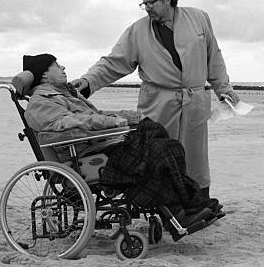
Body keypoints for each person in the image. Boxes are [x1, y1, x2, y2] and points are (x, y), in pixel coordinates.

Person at [71, 0, 239, 201]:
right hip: (158, 104)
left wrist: (224, 90)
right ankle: (164, 207)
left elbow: (214, 58)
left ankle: (198, 202)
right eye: (144, 3)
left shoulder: (199, 19)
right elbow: (114, 63)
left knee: (194, 157)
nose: (147, 8)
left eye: (151, 2)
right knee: (159, 154)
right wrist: (89, 81)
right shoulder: (137, 31)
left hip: (194, 102)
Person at [22, 54, 216, 239]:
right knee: (158, 152)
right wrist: (109, 122)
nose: (63, 67)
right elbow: (66, 124)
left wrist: (128, 117)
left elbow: (94, 115)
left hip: (101, 145)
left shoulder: (64, 94)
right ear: (44, 74)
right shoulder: (41, 102)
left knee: (165, 142)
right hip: (85, 155)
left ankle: (188, 204)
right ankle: (177, 214)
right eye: (56, 65)